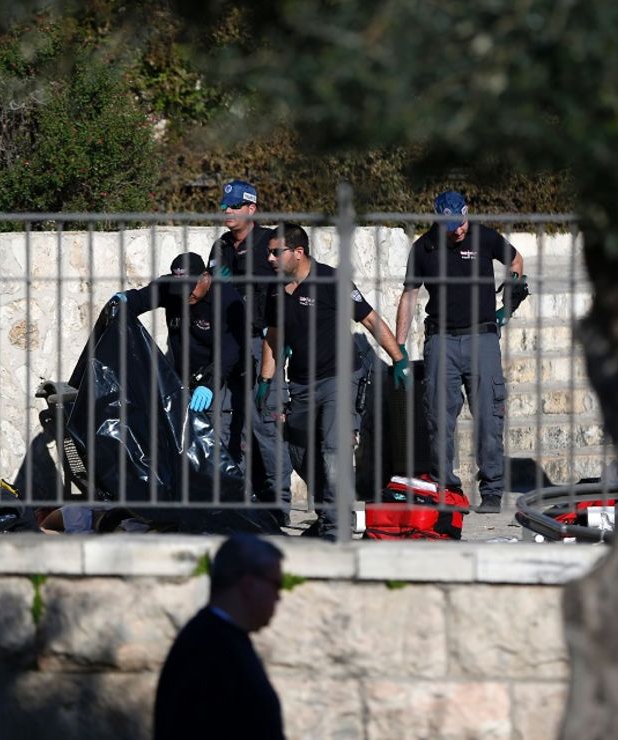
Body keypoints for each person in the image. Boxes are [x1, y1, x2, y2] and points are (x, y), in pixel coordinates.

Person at [260, 223, 408, 540]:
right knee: (299, 452)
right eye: (268, 252)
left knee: (332, 449)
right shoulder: (276, 289)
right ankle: (329, 514)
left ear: (298, 253)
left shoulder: (330, 281)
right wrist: (265, 380)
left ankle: (337, 523)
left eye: (276, 252)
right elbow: (273, 337)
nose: (270, 258)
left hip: (339, 378)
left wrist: (398, 358)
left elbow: (369, 318)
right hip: (300, 382)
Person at [395, 191, 527, 514]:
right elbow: (409, 296)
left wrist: (509, 299)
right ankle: (446, 489)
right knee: (439, 418)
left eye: (462, 223)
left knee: (488, 416)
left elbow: (516, 261)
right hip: (441, 340)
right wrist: (398, 348)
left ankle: (493, 490)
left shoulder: (483, 236)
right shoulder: (423, 248)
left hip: (482, 337)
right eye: (452, 226)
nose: (459, 230)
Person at [208, 180, 293, 522]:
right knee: (227, 423)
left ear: (251, 209)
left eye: (233, 206)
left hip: (264, 343)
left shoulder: (270, 244)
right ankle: (236, 502)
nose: (227, 212)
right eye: (224, 207)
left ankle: (279, 505)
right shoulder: (221, 247)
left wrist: (284, 342)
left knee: (266, 424)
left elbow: (289, 290)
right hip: (229, 345)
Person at [114, 252, 249, 460]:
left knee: (220, 446)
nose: (185, 296)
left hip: (223, 380)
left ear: (205, 277)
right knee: (189, 445)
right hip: (187, 379)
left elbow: (230, 350)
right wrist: (122, 301)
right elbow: (140, 300)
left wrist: (210, 383)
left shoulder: (227, 299)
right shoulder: (170, 288)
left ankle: (233, 492)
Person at [153, 534, 285, 740]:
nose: (278, 596)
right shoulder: (210, 649)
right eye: (276, 585)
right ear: (249, 585)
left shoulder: (218, 638)